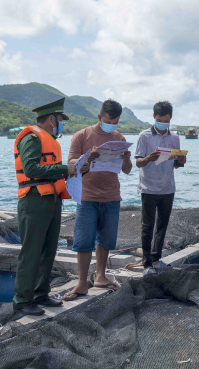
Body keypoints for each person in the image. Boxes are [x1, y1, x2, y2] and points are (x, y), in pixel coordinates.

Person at [13, 98, 77, 315]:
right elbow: (30, 169)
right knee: (31, 251)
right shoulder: (31, 137)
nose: (61, 123)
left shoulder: (50, 139)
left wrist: (69, 170)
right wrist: (64, 169)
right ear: (52, 119)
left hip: (51, 199)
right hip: (34, 200)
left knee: (48, 250)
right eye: (60, 119)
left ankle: (41, 293)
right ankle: (22, 300)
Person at [64, 99, 132, 301]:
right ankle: (82, 282)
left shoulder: (118, 137)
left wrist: (126, 158)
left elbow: (127, 170)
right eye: (109, 120)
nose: (112, 124)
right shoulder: (81, 135)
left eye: (116, 121)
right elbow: (70, 164)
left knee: (106, 239)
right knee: (84, 240)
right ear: (99, 117)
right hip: (86, 196)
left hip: (111, 195)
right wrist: (88, 157)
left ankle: (101, 277)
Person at [135, 101, 186, 275]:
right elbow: (138, 162)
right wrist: (149, 158)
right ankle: (147, 263)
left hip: (168, 188)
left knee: (162, 225)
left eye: (165, 120)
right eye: (159, 120)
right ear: (154, 117)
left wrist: (180, 161)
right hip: (148, 187)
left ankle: (156, 259)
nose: (162, 123)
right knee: (147, 226)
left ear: (170, 118)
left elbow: (176, 165)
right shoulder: (144, 136)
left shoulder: (175, 137)